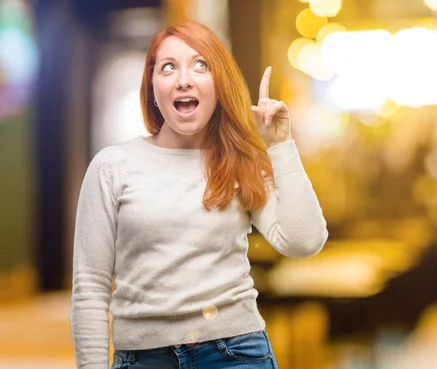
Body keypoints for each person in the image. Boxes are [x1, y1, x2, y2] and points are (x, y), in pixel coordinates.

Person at [70, 20, 328, 369]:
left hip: (236, 354)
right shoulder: (112, 166)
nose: (184, 79)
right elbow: (90, 289)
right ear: (152, 89)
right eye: (168, 67)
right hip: (144, 360)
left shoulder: (241, 162)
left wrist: (280, 143)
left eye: (200, 65)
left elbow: (303, 241)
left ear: (218, 84)